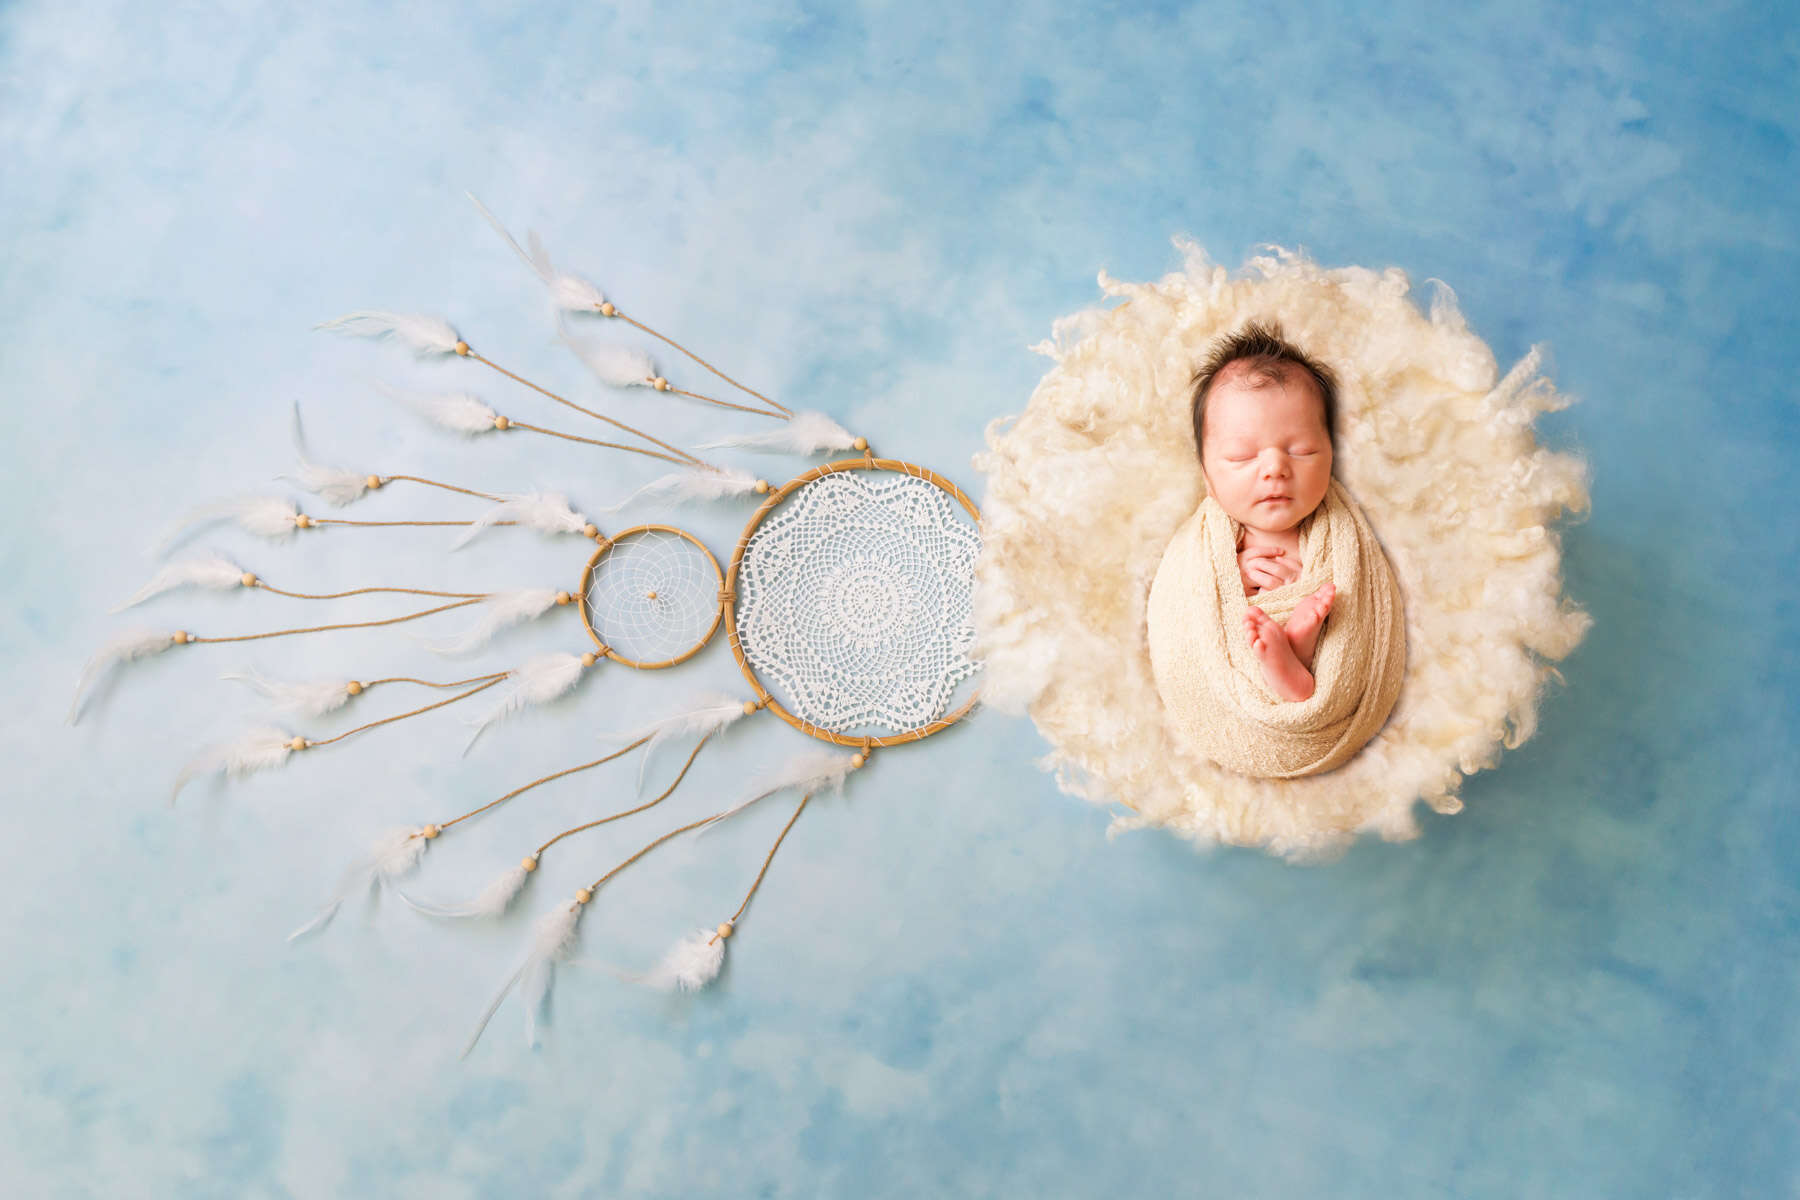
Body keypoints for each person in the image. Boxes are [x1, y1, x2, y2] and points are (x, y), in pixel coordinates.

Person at [1189, 321, 1339, 702]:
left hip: (1323, 667)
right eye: (1242, 456)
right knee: (1250, 636)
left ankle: (1296, 655)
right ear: (1207, 476)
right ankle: (1285, 661)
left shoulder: (1336, 532)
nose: (1275, 468)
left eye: (1302, 450)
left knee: (1329, 623)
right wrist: (1230, 577)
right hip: (1236, 682)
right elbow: (1188, 600)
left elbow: (1362, 592)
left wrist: (1306, 586)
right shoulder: (1209, 541)